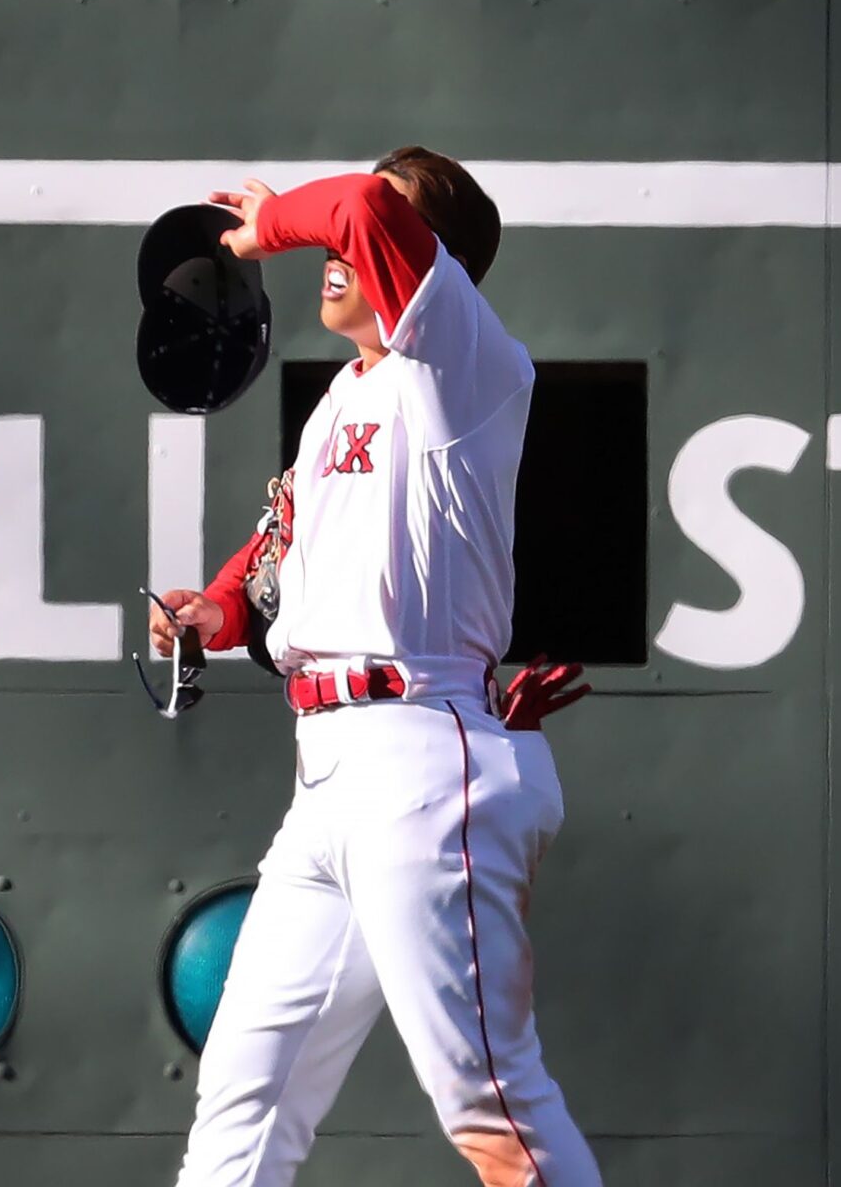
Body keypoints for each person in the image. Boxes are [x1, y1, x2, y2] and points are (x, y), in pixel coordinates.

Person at [149, 148, 601, 1187]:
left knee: (485, 1097)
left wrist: (270, 226)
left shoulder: (461, 359)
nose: (337, 250)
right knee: (246, 1087)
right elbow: (282, 553)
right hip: (327, 776)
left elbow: (351, 207)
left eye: (389, 226)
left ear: (426, 260)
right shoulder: (342, 402)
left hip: (417, 757)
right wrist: (212, 611)